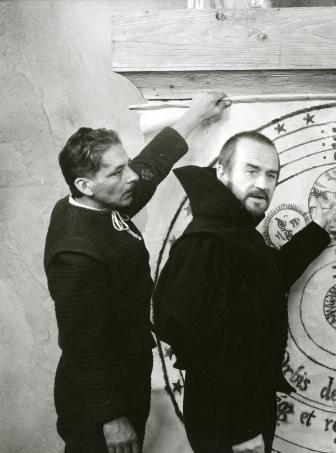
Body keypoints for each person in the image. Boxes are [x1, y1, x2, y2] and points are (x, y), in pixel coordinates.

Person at [43, 91, 230, 453]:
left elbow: (149, 167)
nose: (131, 177)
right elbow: (83, 346)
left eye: (124, 164)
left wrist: (194, 115)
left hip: (125, 377)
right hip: (97, 404)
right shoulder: (75, 252)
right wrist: (111, 418)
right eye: (118, 172)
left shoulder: (96, 201)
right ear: (85, 185)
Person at [154, 131, 336, 453]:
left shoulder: (233, 231)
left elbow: (264, 283)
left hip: (242, 410)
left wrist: (316, 231)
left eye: (271, 175)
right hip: (229, 421)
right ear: (222, 172)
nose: (263, 183)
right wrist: (242, 429)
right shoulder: (208, 240)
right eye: (251, 170)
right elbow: (199, 344)